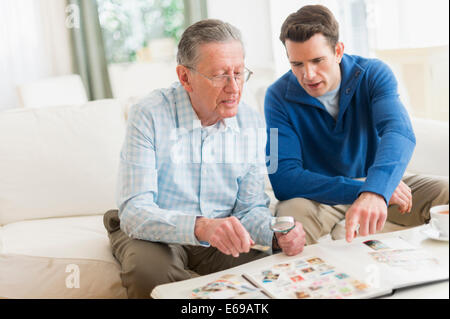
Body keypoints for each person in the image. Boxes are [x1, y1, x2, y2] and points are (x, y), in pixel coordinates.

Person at [103, 19, 306, 299]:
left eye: (238, 73)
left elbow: (249, 210)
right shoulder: (149, 114)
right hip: (156, 231)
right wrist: (201, 226)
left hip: (219, 233)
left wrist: (276, 234)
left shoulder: (252, 124)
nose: (234, 87)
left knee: (274, 271)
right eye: (220, 75)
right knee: (150, 274)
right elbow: (135, 212)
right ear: (185, 77)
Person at [265, 5, 449, 245]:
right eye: (297, 64)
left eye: (317, 60)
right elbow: (283, 178)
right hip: (318, 196)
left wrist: (377, 188)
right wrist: (366, 190)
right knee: (292, 221)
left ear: (338, 51)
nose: (308, 74)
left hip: (379, 186)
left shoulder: (373, 74)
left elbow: (399, 132)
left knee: (445, 190)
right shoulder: (277, 96)